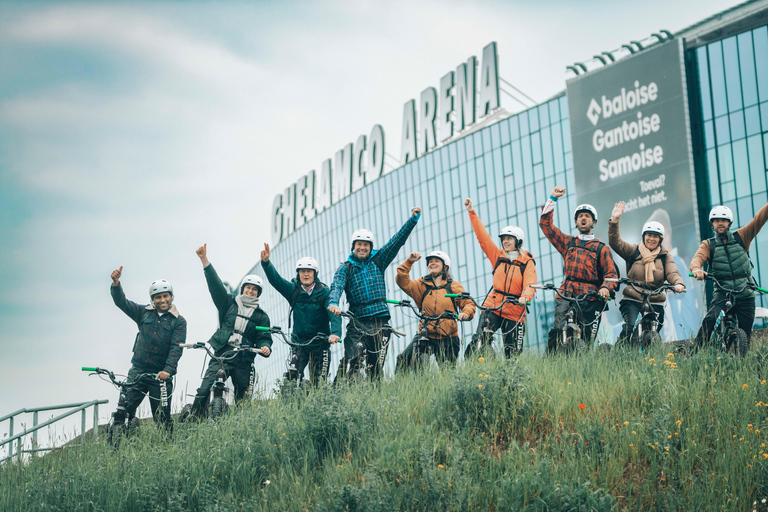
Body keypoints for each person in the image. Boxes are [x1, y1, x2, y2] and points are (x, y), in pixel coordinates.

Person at [328, 206, 422, 380]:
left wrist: (412, 220)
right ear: (353, 247)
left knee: (375, 369)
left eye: (366, 245)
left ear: (370, 247)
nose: (362, 248)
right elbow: (337, 286)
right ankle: (342, 390)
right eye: (359, 245)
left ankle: (374, 398)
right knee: (353, 359)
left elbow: (397, 241)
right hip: (357, 322)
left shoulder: (379, 260)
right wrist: (333, 302)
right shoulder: (345, 268)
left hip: (381, 322)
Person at [185, 244, 272, 420]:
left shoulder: (262, 317)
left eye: (254, 289)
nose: (250, 290)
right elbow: (216, 287)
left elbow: (264, 337)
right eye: (248, 287)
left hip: (244, 357)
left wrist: (265, 347)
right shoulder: (228, 304)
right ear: (243, 289)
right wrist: (205, 261)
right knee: (204, 389)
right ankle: (193, 420)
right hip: (222, 353)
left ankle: (239, 428)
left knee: (244, 399)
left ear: (258, 293)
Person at [539, 186, 618, 351]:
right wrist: (552, 199)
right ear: (576, 222)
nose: (583, 218)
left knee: (587, 342)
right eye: (580, 216)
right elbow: (545, 225)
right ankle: (551, 364)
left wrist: (605, 288)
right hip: (566, 294)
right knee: (557, 333)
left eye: (587, 216)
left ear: (593, 222)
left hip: (590, 299)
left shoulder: (601, 248)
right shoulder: (568, 242)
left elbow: (611, 274)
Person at [110, 266, 185, 432]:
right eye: (158, 297)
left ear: (171, 297)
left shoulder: (179, 321)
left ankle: (167, 447)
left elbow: (176, 348)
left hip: (160, 375)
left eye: (165, 296)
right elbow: (122, 302)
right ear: (153, 299)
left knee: (161, 418)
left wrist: (168, 370)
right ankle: (116, 443)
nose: (162, 300)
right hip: (138, 371)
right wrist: (116, 284)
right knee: (123, 410)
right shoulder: (143, 312)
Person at [463, 198, 537, 358]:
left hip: (515, 309)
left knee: (513, 355)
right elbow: (483, 238)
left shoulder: (527, 262)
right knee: (482, 336)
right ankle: (481, 360)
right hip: (493, 305)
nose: (505, 241)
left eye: (509, 238)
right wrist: (471, 211)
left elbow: (530, 284)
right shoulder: (497, 256)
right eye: (503, 239)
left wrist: (525, 297)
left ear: (518, 241)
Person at [260, 244, 341, 386]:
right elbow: (276, 281)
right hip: (299, 342)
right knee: (292, 376)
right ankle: (291, 402)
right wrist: (266, 264)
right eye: (302, 271)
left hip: (320, 343)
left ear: (315, 274)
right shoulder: (293, 290)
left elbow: (333, 313)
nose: (306, 274)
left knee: (319, 383)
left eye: (309, 271)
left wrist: (335, 333)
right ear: (298, 274)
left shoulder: (324, 293)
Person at [690, 203, 768, 349]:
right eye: (716, 220)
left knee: (745, 336)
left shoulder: (742, 236)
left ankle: (741, 363)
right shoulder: (708, 245)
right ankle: (695, 353)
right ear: (712, 223)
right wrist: (696, 269)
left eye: (723, 220)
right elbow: (698, 258)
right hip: (722, 293)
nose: (720, 223)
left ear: (729, 222)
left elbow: (759, 219)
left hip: (745, 293)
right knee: (710, 320)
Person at [608, 201, 685, 344]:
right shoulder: (634, 250)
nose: (651, 239)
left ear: (660, 239)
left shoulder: (664, 256)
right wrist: (614, 220)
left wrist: (678, 284)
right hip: (632, 300)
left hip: (655, 301)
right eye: (649, 235)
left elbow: (673, 272)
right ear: (643, 236)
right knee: (630, 328)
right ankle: (619, 355)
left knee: (654, 331)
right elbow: (615, 243)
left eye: (655, 236)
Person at [394, 250, 475, 371]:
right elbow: (402, 281)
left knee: (448, 372)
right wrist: (409, 262)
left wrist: (465, 313)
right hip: (426, 333)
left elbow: (468, 303)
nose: (432, 263)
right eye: (430, 261)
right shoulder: (421, 285)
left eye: (436, 261)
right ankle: (401, 386)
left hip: (448, 336)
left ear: (445, 266)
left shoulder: (453, 286)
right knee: (404, 358)